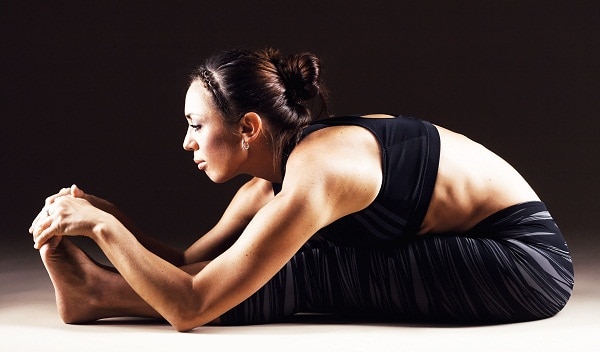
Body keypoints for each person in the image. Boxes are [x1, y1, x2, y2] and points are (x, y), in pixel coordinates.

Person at [29, 48, 574, 331]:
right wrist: (115, 220)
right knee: (255, 260)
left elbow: (191, 305)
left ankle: (101, 296)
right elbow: (194, 264)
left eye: (197, 125)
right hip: (482, 252)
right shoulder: (273, 180)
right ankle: (99, 291)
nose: (186, 141)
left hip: (526, 263)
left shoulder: (320, 174)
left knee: (305, 266)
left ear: (248, 128)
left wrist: (100, 229)